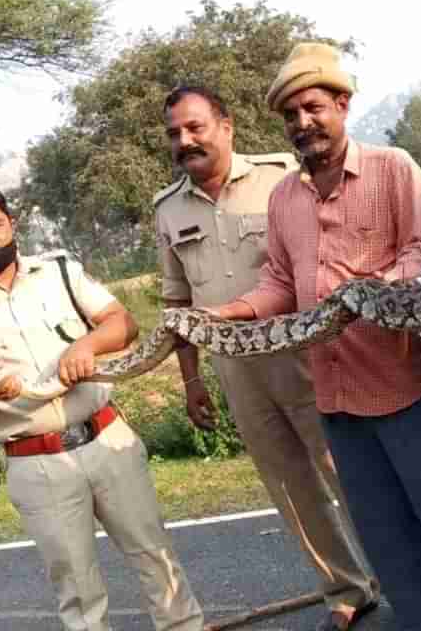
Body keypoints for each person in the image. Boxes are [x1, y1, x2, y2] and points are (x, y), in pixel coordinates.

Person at [204, 42, 421, 631]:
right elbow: (277, 278)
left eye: (313, 108)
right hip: (336, 403)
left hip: (404, 389)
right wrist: (234, 313)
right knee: (388, 543)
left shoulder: (392, 168)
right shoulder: (284, 197)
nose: (302, 123)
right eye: (291, 114)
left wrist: (367, 293)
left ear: (342, 105)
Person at [0, 175, 205, 631]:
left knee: (155, 555)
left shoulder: (60, 271)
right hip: (36, 462)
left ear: (11, 221)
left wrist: (85, 347)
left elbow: (122, 323)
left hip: (108, 438)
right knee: (77, 588)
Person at [152, 84, 379, 631]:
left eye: (195, 127)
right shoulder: (166, 209)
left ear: (225, 126)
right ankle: (346, 591)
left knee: (345, 472)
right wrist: (191, 381)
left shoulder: (282, 176)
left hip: (304, 353)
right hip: (237, 371)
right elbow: (176, 302)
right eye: (175, 133)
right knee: (289, 487)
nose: (185, 141)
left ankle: (401, 579)